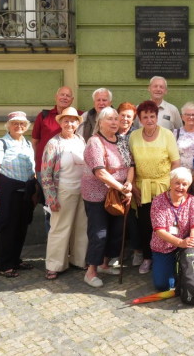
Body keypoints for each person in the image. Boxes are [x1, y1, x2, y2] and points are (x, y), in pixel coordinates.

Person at [80, 107, 134, 287]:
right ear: (100, 122)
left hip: (117, 194)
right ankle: (91, 271)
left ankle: (104, 264)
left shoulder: (122, 141)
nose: (114, 122)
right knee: (99, 233)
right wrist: (121, 187)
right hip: (97, 195)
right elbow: (100, 172)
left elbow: (131, 165)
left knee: (116, 230)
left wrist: (129, 184)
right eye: (109, 119)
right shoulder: (94, 142)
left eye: (116, 119)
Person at [129, 100, 181, 274]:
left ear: (156, 117)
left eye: (152, 116)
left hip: (164, 187)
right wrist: (134, 186)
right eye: (145, 117)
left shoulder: (167, 135)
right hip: (142, 188)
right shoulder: (134, 136)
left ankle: (168, 257)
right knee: (145, 225)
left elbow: (176, 162)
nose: (149, 120)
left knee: (165, 224)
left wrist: (171, 188)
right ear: (140, 119)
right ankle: (147, 258)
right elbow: (132, 164)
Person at [41, 107, 88, 280]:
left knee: (81, 227)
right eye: (66, 120)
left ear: (77, 123)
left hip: (82, 190)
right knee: (60, 227)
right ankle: (54, 265)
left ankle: (79, 259)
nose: (70, 124)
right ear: (60, 122)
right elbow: (45, 173)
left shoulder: (81, 139)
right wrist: (51, 198)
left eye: (73, 120)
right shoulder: (54, 143)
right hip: (63, 190)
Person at [0, 111, 36, 278]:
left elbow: (32, 169)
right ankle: (4, 265)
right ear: (8, 126)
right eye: (15, 123)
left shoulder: (28, 144)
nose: (19, 126)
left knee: (21, 227)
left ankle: (15, 260)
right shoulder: (1, 144)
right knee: (7, 228)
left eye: (22, 123)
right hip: (7, 192)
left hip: (25, 192)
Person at [32, 86, 81, 227]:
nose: (65, 98)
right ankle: (52, 238)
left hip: (69, 173)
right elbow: (35, 142)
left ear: (72, 100)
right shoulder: (44, 116)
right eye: (62, 95)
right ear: (56, 97)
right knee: (51, 205)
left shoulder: (78, 116)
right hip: (45, 170)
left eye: (68, 96)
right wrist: (36, 167)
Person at [150, 167, 194, 291]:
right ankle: (171, 267)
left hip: (183, 245)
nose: (180, 187)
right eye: (177, 183)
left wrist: (192, 240)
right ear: (170, 183)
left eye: (184, 184)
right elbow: (159, 231)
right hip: (164, 247)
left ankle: (186, 268)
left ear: (189, 186)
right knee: (163, 285)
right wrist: (180, 242)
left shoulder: (192, 201)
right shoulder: (158, 201)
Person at [116, 102, 143, 267]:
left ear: (133, 120)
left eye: (129, 116)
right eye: (123, 115)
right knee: (117, 218)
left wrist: (131, 184)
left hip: (133, 182)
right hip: (113, 182)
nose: (125, 119)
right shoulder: (111, 133)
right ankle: (118, 252)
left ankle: (137, 251)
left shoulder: (136, 135)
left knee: (132, 218)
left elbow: (134, 161)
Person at [175, 102, 194, 171]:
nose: (191, 117)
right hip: (180, 174)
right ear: (182, 117)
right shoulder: (175, 133)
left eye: (193, 115)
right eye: (187, 114)